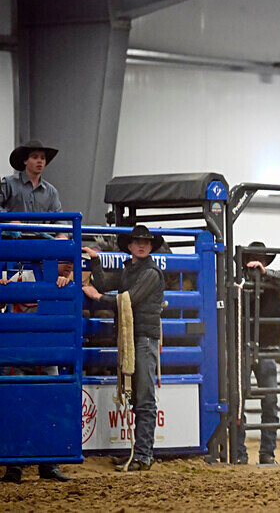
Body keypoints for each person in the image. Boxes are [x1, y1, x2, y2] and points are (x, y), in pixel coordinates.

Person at [81, 225, 165, 471]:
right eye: (137, 241)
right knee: (140, 396)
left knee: (144, 397)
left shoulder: (151, 273)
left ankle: (143, 455)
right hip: (136, 337)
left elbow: (129, 299)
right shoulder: (132, 270)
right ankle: (141, 453)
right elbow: (105, 283)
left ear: (150, 246)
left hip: (143, 338)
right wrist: (95, 262)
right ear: (130, 246)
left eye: (145, 242)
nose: (142, 245)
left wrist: (97, 297)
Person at [0, 255, 73, 483]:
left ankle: (48, 463)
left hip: (46, 355)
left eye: (70, 260)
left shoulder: (65, 285)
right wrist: (4, 289)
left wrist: (65, 288)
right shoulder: (21, 277)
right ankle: (14, 466)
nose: (69, 264)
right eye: (63, 260)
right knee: (16, 409)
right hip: (19, 355)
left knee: (50, 408)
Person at [235, 242, 280, 466]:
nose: (256, 262)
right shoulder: (237, 281)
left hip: (266, 348)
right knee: (238, 401)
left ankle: (267, 453)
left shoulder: (273, 281)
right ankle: (239, 452)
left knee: (270, 401)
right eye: (253, 258)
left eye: (260, 259)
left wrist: (266, 274)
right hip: (243, 348)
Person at [1, 140, 62, 213]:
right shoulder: (9, 184)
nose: (40, 161)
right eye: (35, 157)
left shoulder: (51, 192)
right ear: (25, 161)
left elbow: (59, 216)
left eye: (42, 158)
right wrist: (10, 218)